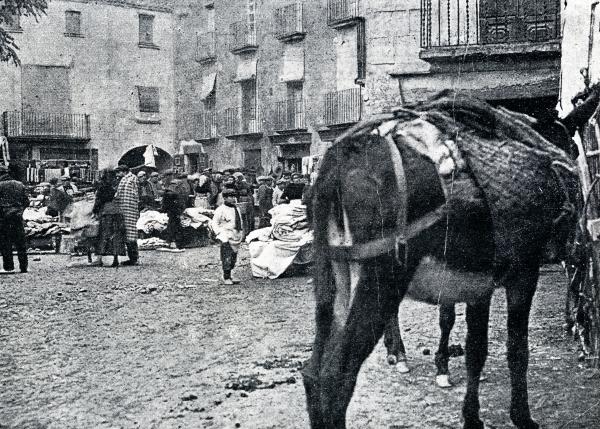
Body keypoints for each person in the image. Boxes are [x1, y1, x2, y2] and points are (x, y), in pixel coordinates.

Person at [92, 169, 127, 267]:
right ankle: (115, 258)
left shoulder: (102, 187)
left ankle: (100, 259)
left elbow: (98, 201)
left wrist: (94, 211)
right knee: (116, 235)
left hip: (107, 212)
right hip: (117, 212)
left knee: (104, 235)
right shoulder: (114, 186)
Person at [210, 188, 243, 285]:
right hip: (226, 235)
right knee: (226, 256)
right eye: (230, 197)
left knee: (233, 257)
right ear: (225, 198)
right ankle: (226, 276)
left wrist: (241, 231)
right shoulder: (220, 210)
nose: (233, 199)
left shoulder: (236, 208)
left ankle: (231, 274)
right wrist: (220, 234)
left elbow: (239, 221)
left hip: (235, 235)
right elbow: (214, 223)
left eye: (234, 197)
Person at [0, 164, 29, 274]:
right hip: (17, 216)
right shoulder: (19, 184)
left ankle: (8, 267)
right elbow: (26, 201)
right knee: (20, 242)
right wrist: (20, 210)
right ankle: (23, 267)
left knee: (5, 243)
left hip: (3, 218)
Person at [114, 164, 140, 265]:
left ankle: (133, 259)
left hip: (127, 209)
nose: (117, 175)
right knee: (131, 234)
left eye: (118, 172)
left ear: (123, 171)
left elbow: (119, 194)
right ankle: (134, 258)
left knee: (130, 235)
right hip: (131, 209)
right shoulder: (132, 178)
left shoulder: (127, 179)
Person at [160, 169, 186, 252]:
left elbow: (173, 196)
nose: (164, 179)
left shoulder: (173, 184)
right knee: (171, 225)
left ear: (169, 176)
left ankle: (179, 245)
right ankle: (169, 242)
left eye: (166, 176)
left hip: (174, 208)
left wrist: (164, 207)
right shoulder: (176, 183)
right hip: (175, 208)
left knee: (175, 225)